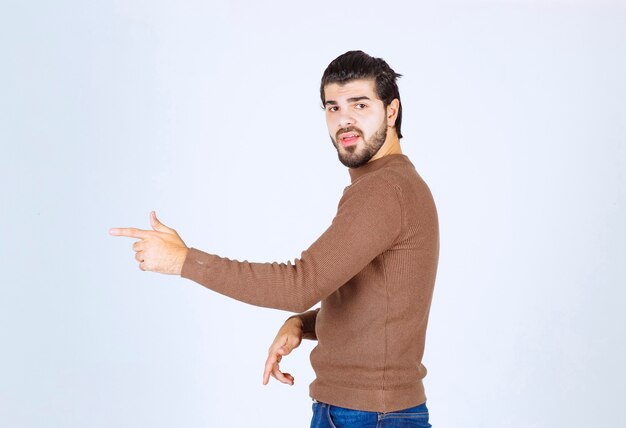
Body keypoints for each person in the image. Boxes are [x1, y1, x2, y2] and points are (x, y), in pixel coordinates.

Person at [110, 50, 439, 428]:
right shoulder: (395, 185)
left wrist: (183, 261)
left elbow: (300, 283)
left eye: (359, 104)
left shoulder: (384, 190)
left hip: (367, 417)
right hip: (371, 413)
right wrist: (304, 324)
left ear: (391, 111)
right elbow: (380, 309)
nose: (344, 120)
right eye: (332, 107)